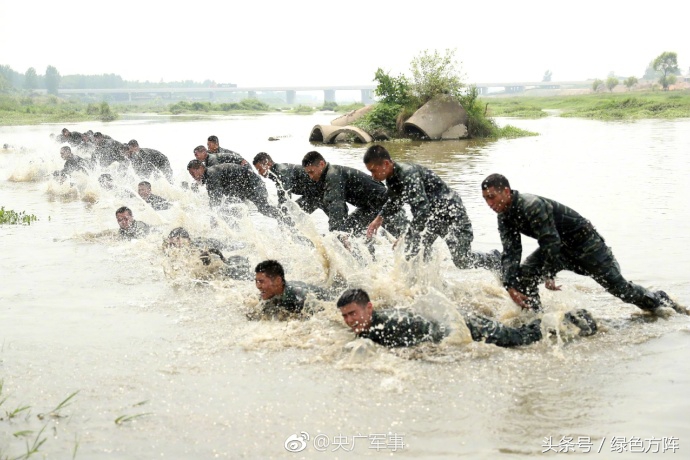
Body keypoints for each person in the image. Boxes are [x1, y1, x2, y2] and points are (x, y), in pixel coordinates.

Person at [480, 173, 686, 314]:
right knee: (523, 277)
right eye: (485, 200)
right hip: (558, 247)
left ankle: (660, 301)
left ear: (506, 191)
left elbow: (550, 242)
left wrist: (549, 274)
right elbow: (511, 251)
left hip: (585, 243)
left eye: (492, 197)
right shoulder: (504, 215)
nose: (489, 204)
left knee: (620, 289)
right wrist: (509, 285)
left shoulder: (531, 205)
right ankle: (536, 320)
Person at [363, 144, 500, 271]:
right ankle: (424, 288)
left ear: (386, 164)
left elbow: (422, 211)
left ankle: (494, 259)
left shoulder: (408, 174)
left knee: (462, 261)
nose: (373, 177)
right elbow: (394, 201)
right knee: (415, 252)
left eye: (373, 171)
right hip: (433, 217)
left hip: (452, 215)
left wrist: (407, 236)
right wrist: (378, 219)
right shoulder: (392, 178)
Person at [336, 288, 598, 349]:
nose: (349, 320)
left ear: (369, 308)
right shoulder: (369, 325)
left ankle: (570, 317)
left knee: (518, 340)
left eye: (353, 314)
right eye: (345, 316)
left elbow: (422, 348)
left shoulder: (389, 326)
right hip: (452, 322)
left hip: (466, 326)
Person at [301, 150, 406, 236]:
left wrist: (335, 235)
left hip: (384, 205)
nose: (310, 176)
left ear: (321, 164)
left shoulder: (333, 175)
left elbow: (337, 207)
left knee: (406, 242)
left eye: (311, 172)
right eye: (308, 173)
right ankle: (367, 259)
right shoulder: (327, 176)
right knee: (349, 232)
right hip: (367, 208)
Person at [186, 160, 291, 225]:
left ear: (200, 168)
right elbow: (215, 198)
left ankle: (286, 219)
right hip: (244, 188)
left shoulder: (211, 174)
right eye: (190, 174)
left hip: (254, 185)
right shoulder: (210, 174)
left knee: (263, 208)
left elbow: (215, 200)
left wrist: (213, 220)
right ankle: (239, 234)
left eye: (192, 173)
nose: (192, 176)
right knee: (234, 211)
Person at [253, 260, 334, 319]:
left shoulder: (300, 296)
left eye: (261, 281)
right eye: (256, 281)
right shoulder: (268, 294)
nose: (258, 286)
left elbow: (324, 316)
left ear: (278, 280)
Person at [165, 227, 250, 280]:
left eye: (178, 239)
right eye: (172, 241)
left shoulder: (196, 247)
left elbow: (214, 254)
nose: (175, 243)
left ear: (188, 240)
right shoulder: (174, 251)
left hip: (221, 248)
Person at [253, 152, 321, 213]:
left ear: (268, 164)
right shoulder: (276, 173)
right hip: (314, 192)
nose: (259, 173)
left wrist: (280, 212)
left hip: (323, 189)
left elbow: (284, 199)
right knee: (292, 214)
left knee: (292, 214)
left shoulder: (282, 172)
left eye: (260, 169)